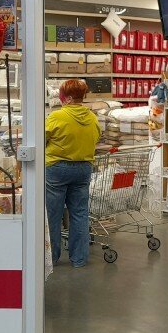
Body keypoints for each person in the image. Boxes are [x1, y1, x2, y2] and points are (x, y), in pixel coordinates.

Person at [45, 79, 101, 268]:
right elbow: (96, 138)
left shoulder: (56, 116)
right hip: (83, 169)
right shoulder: (92, 117)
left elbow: (42, 139)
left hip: (57, 169)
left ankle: (51, 258)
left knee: (53, 215)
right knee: (79, 213)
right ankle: (79, 259)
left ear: (68, 98)